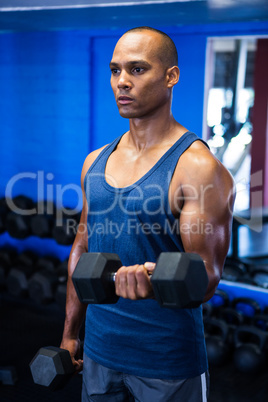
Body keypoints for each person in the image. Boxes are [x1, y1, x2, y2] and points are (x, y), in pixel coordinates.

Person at [60, 26, 235, 401]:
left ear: (171, 76)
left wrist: (152, 277)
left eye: (137, 70)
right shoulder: (95, 161)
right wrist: (70, 334)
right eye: (115, 70)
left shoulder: (198, 169)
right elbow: (82, 246)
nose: (122, 82)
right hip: (99, 353)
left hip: (168, 362)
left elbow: (206, 276)